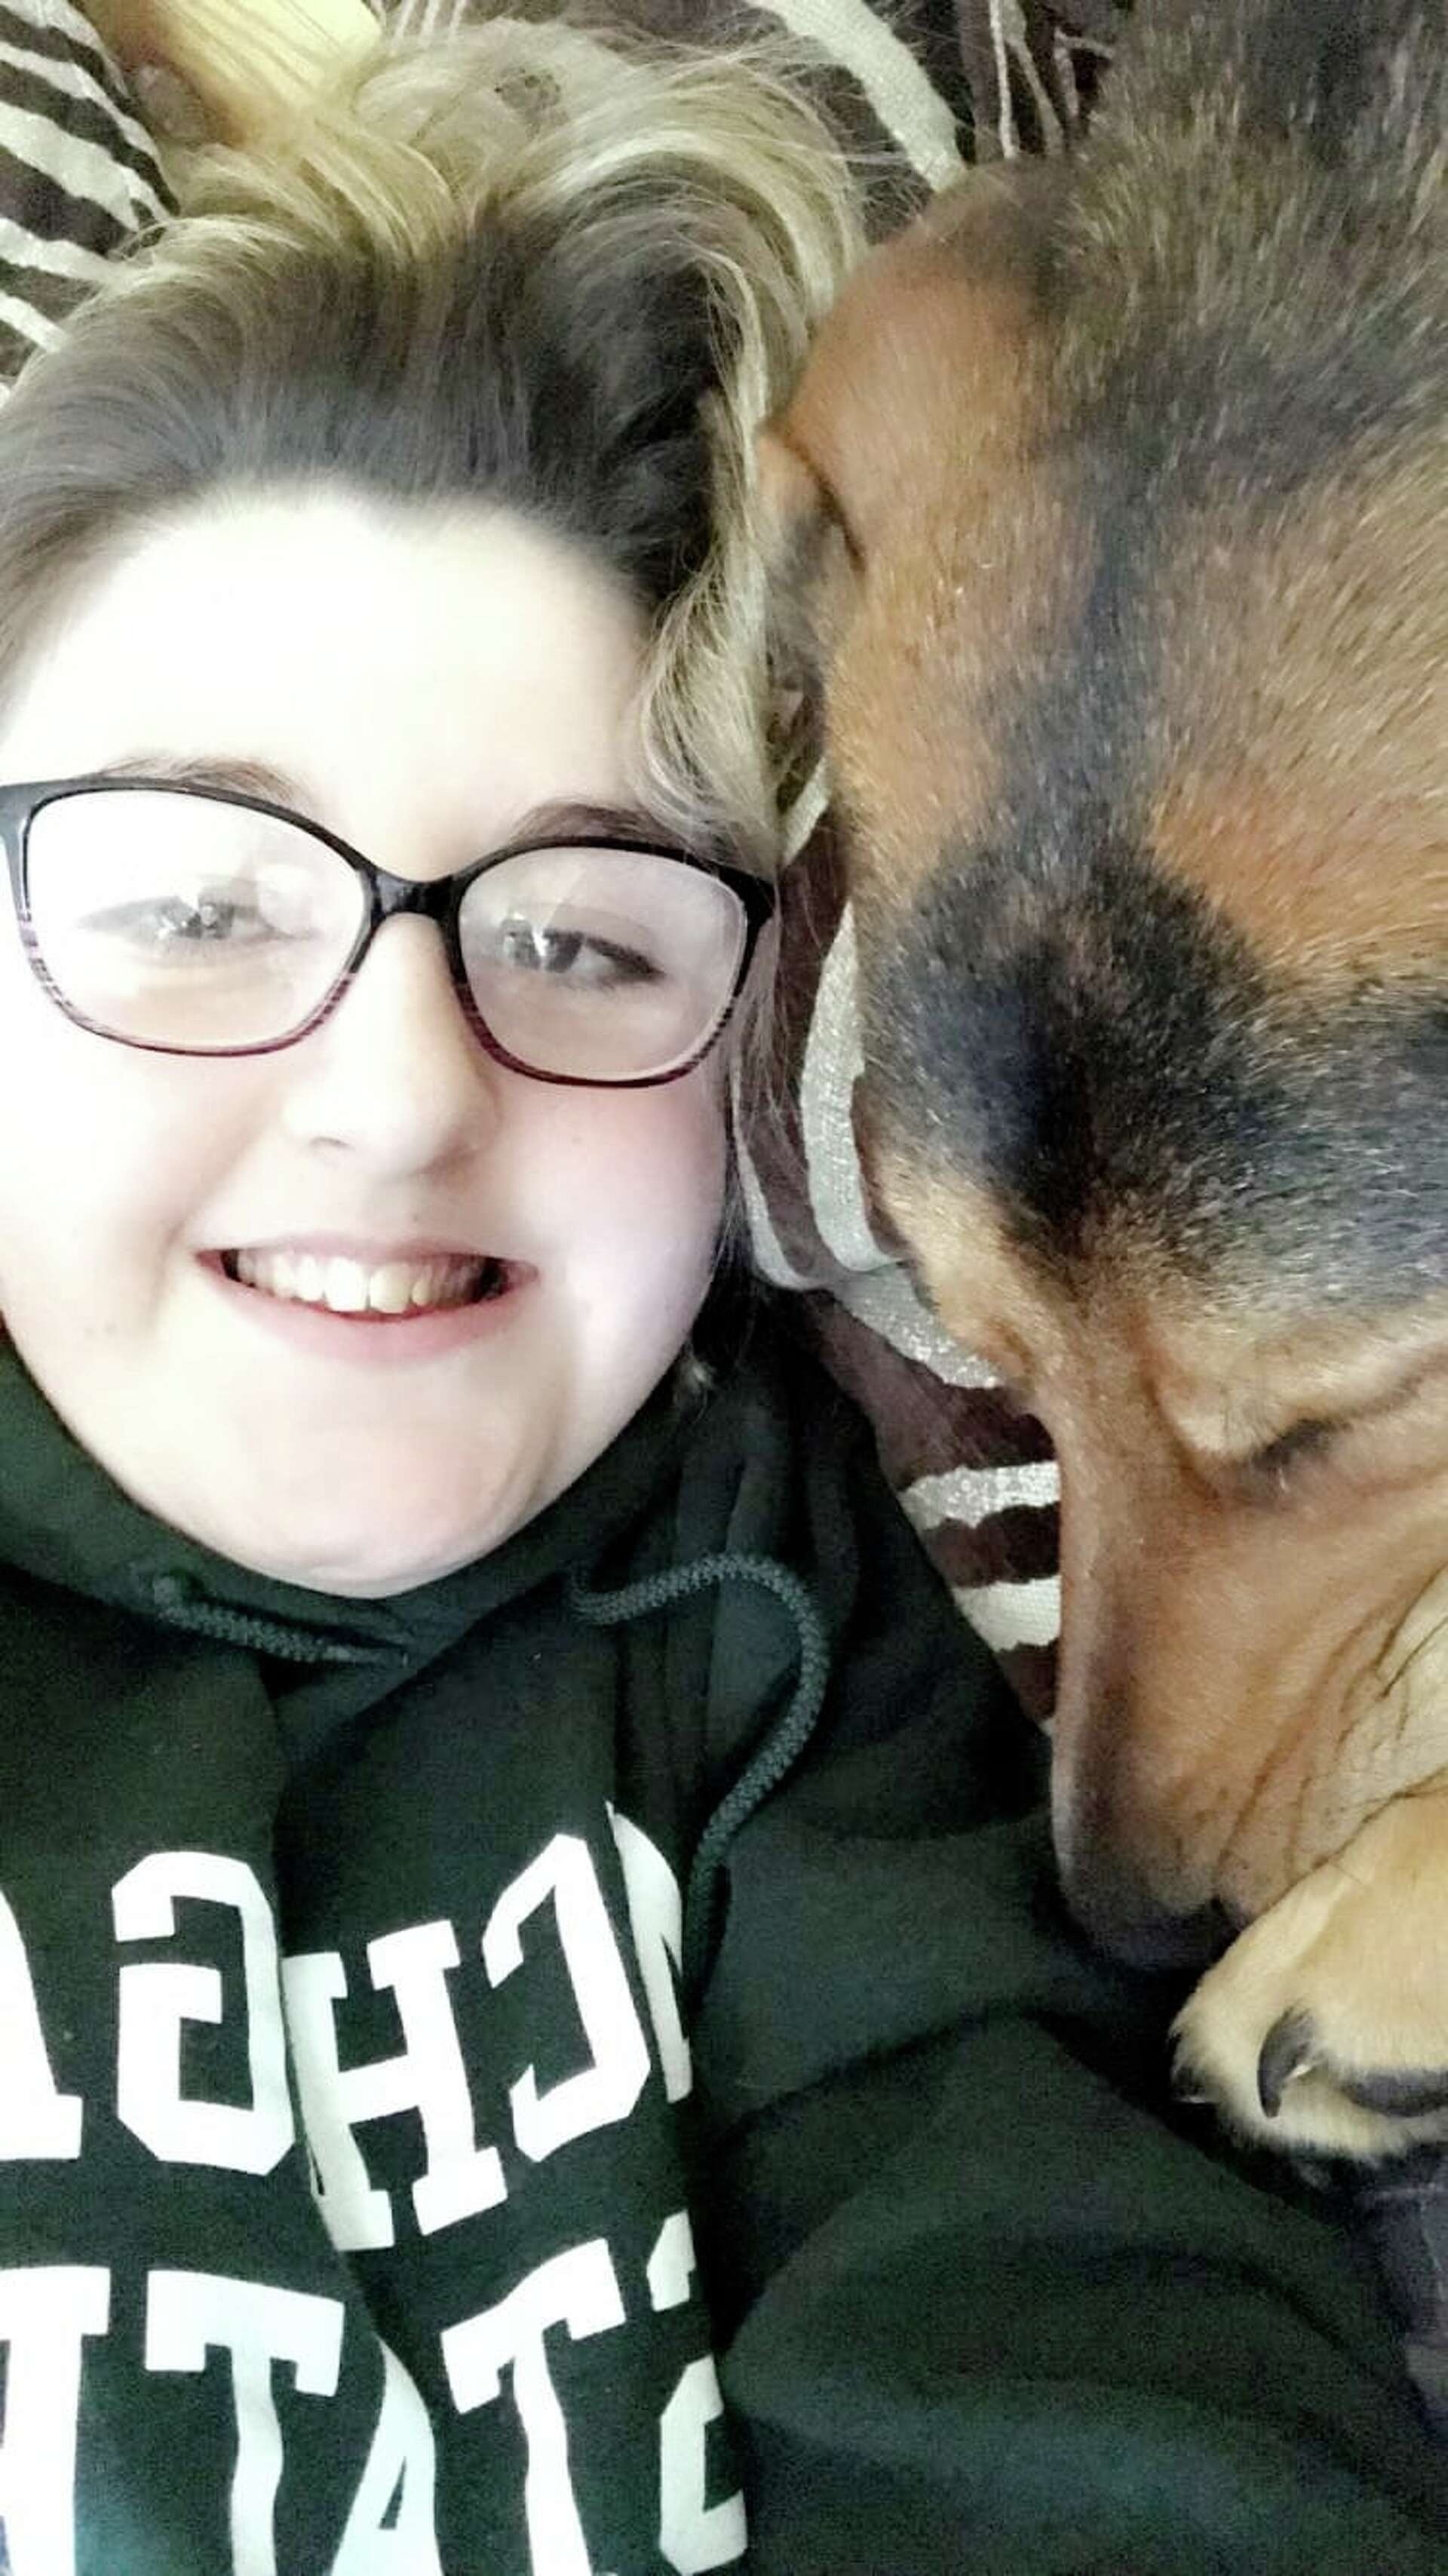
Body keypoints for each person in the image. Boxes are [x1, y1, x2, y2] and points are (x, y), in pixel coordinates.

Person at [0, 13, 1442, 2573]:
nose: (392, 1097)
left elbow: (1104, 2387)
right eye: (197, 900)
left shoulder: (796, 1665)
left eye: (578, 935)